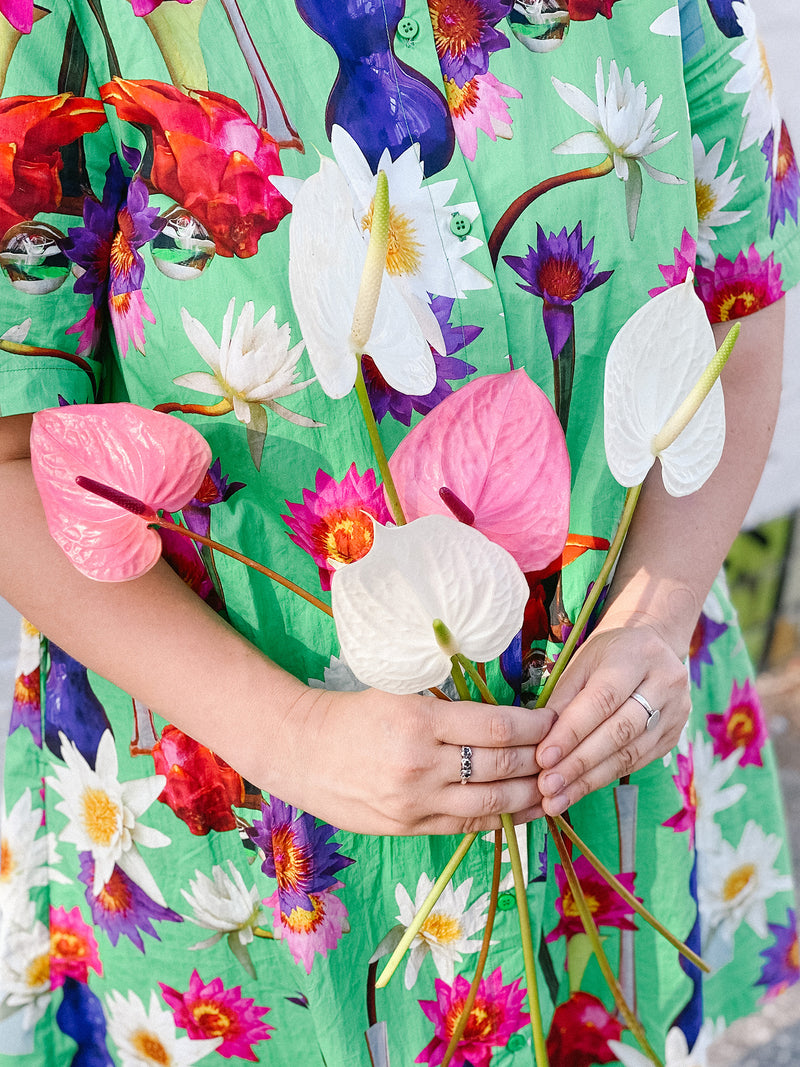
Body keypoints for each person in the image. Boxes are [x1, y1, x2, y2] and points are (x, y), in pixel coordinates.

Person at [0, 1, 797, 1064]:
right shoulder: (74, 21)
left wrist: (652, 612)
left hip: (601, 761)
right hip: (247, 844)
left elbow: (737, 306)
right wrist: (292, 736)